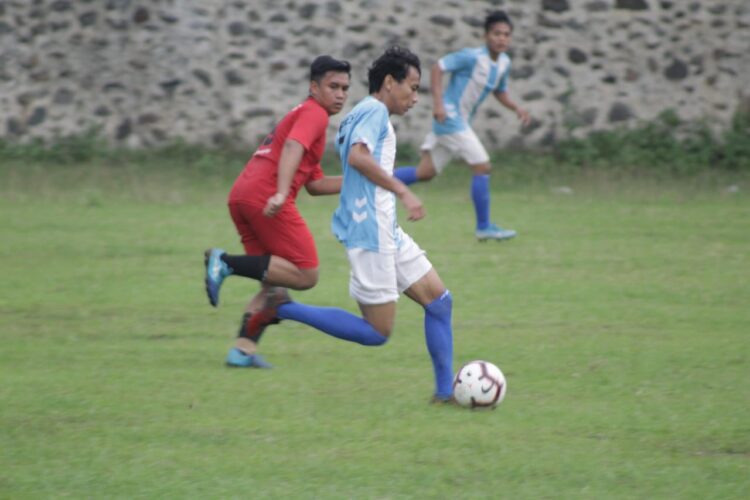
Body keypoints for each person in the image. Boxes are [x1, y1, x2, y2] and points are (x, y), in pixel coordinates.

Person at [247, 46, 455, 403]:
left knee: (439, 302)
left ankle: (444, 393)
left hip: (385, 229)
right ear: (389, 82)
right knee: (377, 331)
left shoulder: (360, 112)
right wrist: (402, 190)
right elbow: (358, 157)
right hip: (371, 231)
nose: (416, 98)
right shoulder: (374, 111)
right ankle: (280, 307)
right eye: (412, 87)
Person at [204, 55, 351, 369]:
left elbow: (315, 184)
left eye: (344, 88)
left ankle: (242, 352)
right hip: (265, 197)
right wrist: (282, 193)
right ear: (314, 87)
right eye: (333, 86)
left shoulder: (305, 114)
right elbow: (293, 147)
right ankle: (225, 262)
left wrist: (361, 180)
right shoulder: (315, 114)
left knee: (273, 287)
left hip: (242, 196)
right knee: (307, 274)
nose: (340, 94)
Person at [393, 10, 531, 241]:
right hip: (450, 118)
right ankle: (484, 227)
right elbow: (438, 67)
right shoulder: (472, 57)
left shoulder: (503, 63)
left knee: (424, 173)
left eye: (506, 34)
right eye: (497, 33)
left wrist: (516, 107)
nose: (502, 38)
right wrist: (439, 104)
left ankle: (373, 180)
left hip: (459, 122)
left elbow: (499, 90)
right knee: (482, 166)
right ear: (486, 35)